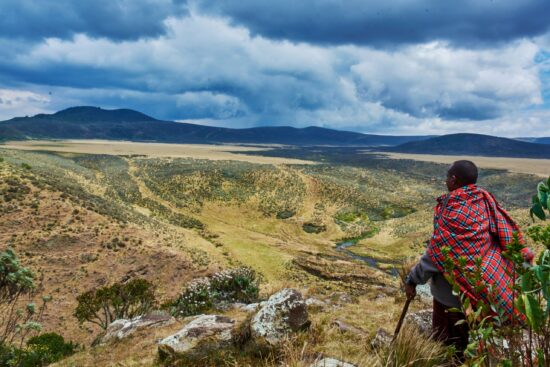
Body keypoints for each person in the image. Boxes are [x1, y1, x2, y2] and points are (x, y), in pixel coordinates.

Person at [404, 160, 533, 359]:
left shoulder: (452, 212)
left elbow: (434, 256)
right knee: (474, 342)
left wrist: (412, 280)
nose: (445, 180)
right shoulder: (482, 199)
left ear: (454, 180)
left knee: (450, 347)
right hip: (482, 291)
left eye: (447, 176)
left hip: (451, 299)